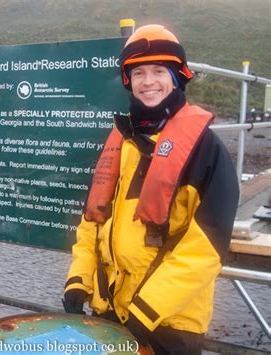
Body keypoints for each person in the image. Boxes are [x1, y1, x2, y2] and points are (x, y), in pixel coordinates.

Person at [63, 24, 240, 354]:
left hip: (168, 324)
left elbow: (206, 249)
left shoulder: (206, 150)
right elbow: (93, 220)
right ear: (129, 80)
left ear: (177, 76)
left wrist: (146, 310)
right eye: (139, 72)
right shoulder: (122, 141)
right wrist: (79, 279)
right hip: (111, 312)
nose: (148, 82)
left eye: (159, 71)